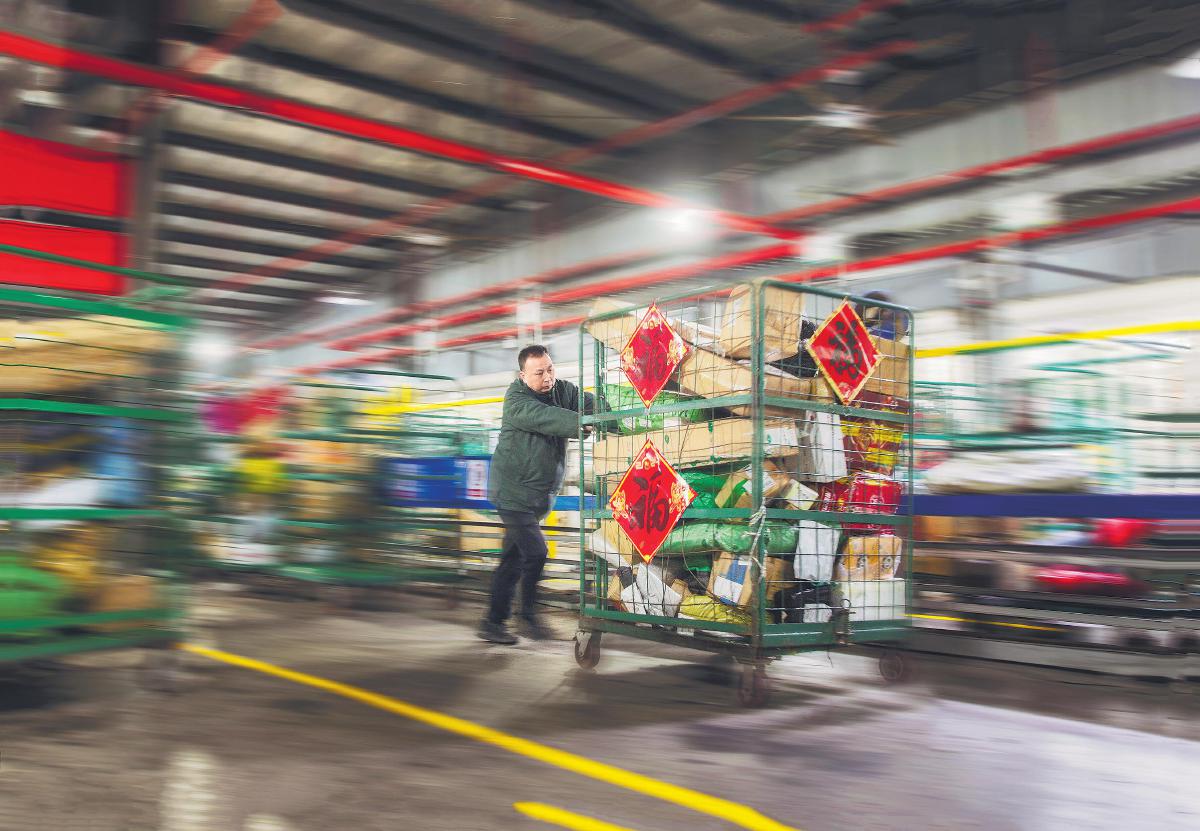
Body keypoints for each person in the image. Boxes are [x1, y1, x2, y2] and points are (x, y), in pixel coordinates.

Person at [479, 344, 597, 644]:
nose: (547, 378)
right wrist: (581, 423)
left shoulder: (561, 390)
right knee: (536, 552)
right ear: (523, 375)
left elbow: (588, 402)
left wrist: (614, 414)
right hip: (512, 493)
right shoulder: (516, 400)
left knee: (512, 559)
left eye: (550, 369)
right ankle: (527, 618)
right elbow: (546, 417)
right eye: (539, 373)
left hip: (536, 497)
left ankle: (493, 623)